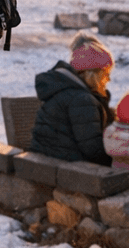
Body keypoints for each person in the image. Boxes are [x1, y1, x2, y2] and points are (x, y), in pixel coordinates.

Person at [30, 33, 115, 165]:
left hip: (52, 161)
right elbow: (93, 149)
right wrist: (119, 160)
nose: (108, 80)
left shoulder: (70, 92)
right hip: (67, 168)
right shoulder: (82, 100)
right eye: (106, 74)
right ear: (93, 74)